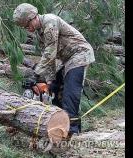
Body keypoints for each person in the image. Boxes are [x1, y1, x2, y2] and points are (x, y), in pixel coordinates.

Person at [13, 3, 95, 138]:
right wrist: (50, 79)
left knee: (70, 92)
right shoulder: (40, 33)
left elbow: (50, 52)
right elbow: (50, 57)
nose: (28, 29)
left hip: (79, 54)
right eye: (24, 27)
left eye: (27, 25)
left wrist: (36, 74)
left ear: (33, 17)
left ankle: (72, 131)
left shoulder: (50, 21)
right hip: (65, 59)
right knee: (55, 90)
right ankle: (61, 125)